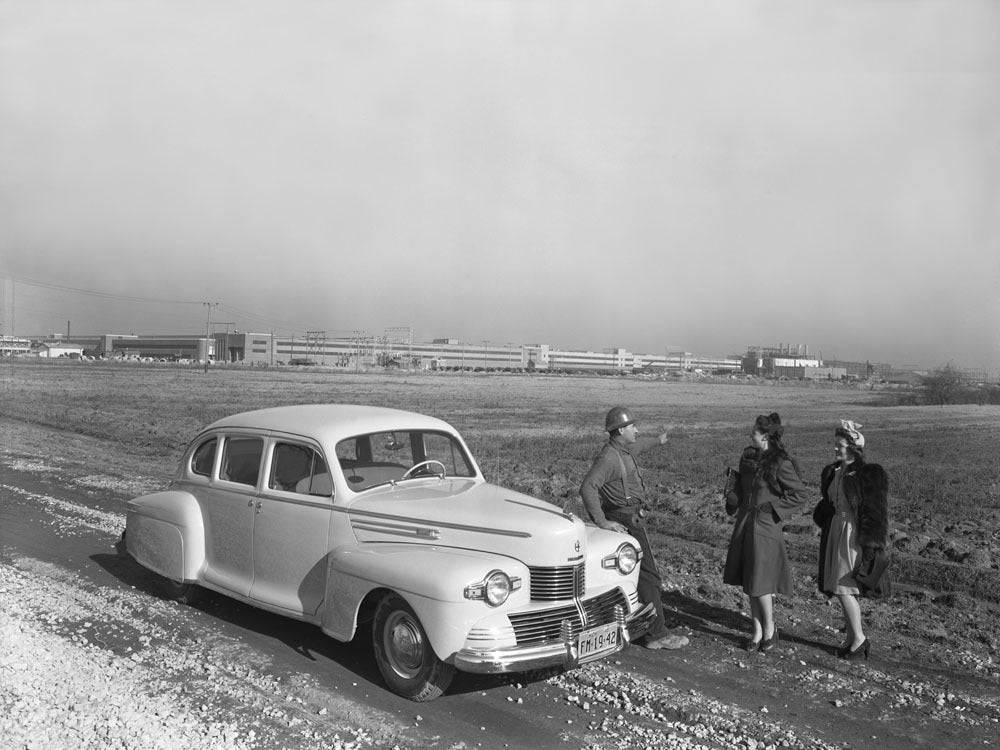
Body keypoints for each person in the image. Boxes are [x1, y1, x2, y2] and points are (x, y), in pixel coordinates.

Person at [580, 407, 689, 650]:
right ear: (621, 431)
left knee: (633, 576)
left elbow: (640, 445)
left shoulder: (624, 450)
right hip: (625, 519)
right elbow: (588, 488)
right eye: (632, 427)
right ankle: (658, 634)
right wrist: (602, 522)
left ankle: (641, 627)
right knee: (649, 577)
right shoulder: (609, 458)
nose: (637, 430)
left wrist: (659, 440)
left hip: (627, 516)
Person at [723, 413, 808, 653]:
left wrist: (773, 509)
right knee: (750, 580)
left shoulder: (780, 462)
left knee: (760, 581)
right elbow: (743, 490)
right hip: (745, 524)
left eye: (755, 432)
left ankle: (770, 629)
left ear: (765, 437)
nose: (751, 434)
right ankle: (757, 631)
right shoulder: (749, 459)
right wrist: (733, 494)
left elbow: (800, 494)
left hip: (766, 527)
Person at [812, 420, 890, 661]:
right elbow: (829, 502)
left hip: (853, 534)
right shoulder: (834, 472)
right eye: (835, 444)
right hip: (836, 530)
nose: (836, 448)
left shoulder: (868, 474)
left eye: (841, 445)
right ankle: (850, 639)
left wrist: (871, 545)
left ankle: (859, 639)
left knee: (844, 586)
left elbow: (875, 512)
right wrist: (824, 512)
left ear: (854, 448)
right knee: (841, 588)